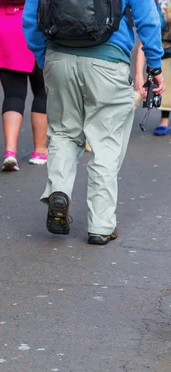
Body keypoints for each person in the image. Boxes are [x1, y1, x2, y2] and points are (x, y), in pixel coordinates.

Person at [23, 0, 165, 245]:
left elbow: (30, 17)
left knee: (63, 133)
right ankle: (100, 225)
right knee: (106, 140)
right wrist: (154, 64)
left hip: (59, 57)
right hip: (108, 61)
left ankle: (59, 191)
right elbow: (149, 19)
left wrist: (43, 57)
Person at [0, 0, 48, 171]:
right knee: (41, 91)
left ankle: (10, 151)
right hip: (36, 26)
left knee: (13, 94)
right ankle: (39, 151)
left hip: (5, 26)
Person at [135, 0, 171, 136]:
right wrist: (139, 75)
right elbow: (143, 45)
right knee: (162, 83)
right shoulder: (153, 6)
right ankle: (164, 119)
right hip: (161, 50)